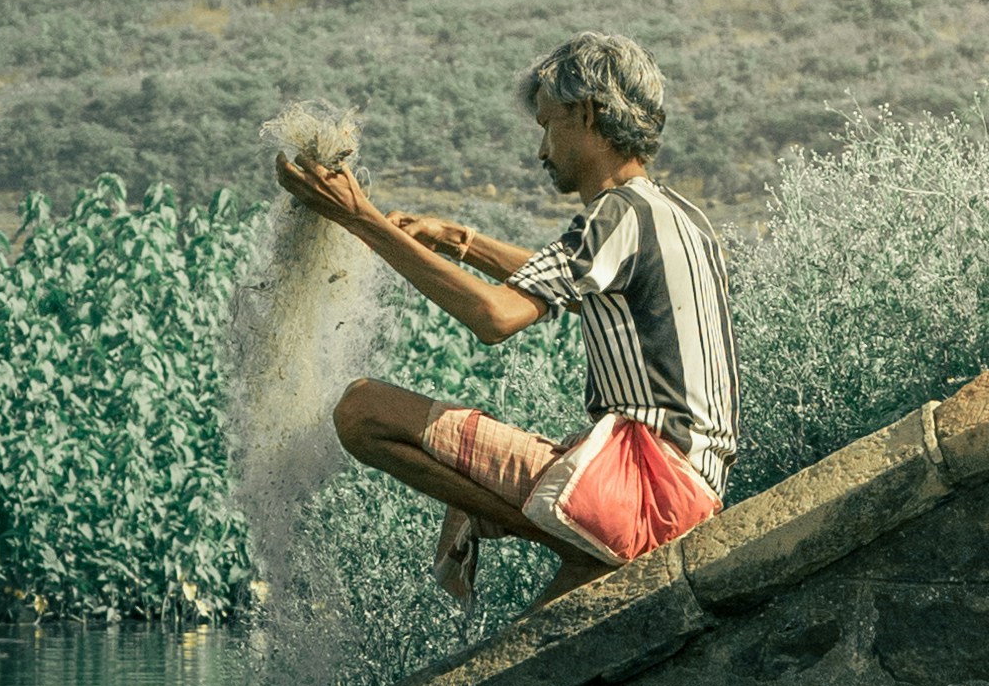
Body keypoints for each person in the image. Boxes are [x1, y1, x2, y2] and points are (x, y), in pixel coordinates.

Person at [276, 33, 738, 612]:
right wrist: (459, 241)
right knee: (533, 653)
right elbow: (578, 286)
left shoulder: (614, 214)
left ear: (587, 114)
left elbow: (496, 317)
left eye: (548, 126)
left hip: (643, 489)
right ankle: (583, 548)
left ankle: (581, 549)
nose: (542, 151)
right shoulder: (676, 215)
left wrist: (360, 217)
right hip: (691, 489)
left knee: (362, 412)